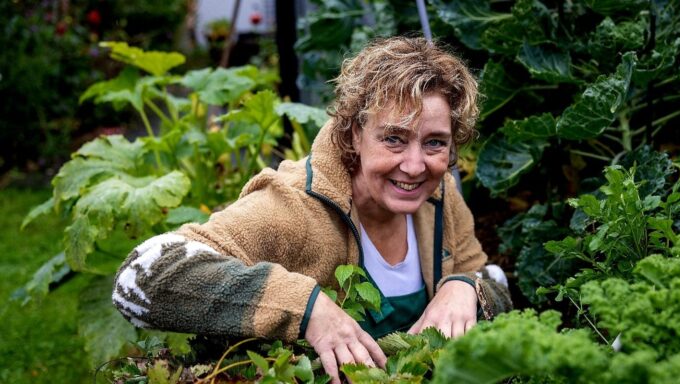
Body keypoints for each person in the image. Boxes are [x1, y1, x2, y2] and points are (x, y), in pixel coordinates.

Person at [112, 36, 512, 383]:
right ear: (354, 134)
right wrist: (308, 309)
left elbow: (491, 278)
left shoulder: (438, 197)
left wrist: (465, 287)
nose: (414, 165)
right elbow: (140, 278)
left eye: (435, 142)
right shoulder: (294, 207)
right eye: (394, 138)